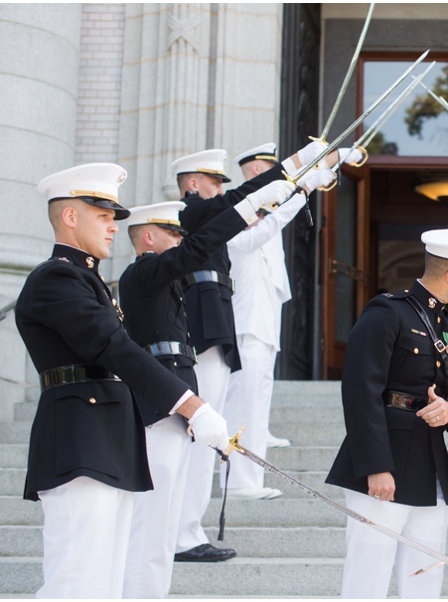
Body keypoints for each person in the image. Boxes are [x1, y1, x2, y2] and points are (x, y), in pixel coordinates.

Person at [17, 163, 230, 598]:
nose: (114, 225)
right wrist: (191, 404)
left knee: (107, 584)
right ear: (71, 216)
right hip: (80, 440)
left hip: (109, 439)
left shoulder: (89, 280)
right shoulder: (57, 277)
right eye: (102, 215)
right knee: (77, 581)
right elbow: (112, 346)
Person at [119, 179, 310, 596]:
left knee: (165, 520)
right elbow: (198, 246)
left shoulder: (165, 283)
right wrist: (252, 204)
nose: (181, 239)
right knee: (151, 521)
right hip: (157, 407)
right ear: (148, 237)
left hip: (175, 406)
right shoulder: (143, 273)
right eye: (172, 232)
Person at [172, 145, 336, 561]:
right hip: (216, 333)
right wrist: (300, 182)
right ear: (193, 186)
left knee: (219, 423)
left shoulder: (210, 219)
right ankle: (186, 529)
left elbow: (248, 216)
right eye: (213, 184)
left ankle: (189, 528)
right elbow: (246, 216)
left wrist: (300, 188)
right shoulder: (190, 215)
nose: (219, 192)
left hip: (228, 332)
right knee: (212, 424)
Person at [325, 228, 448, 598]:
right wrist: (375, 466)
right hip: (385, 463)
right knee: (369, 573)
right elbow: (359, 391)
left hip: (429, 465)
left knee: (425, 574)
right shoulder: (388, 311)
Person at [221, 142, 322, 499]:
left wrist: (310, 175)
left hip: (263, 333)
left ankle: (251, 476)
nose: (262, 215)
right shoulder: (238, 237)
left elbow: (272, 216)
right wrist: (304, 189)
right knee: (242, 406)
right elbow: (273, 219)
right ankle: (238, 481)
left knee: (255, 405)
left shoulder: (262, 238)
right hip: (246, 332)